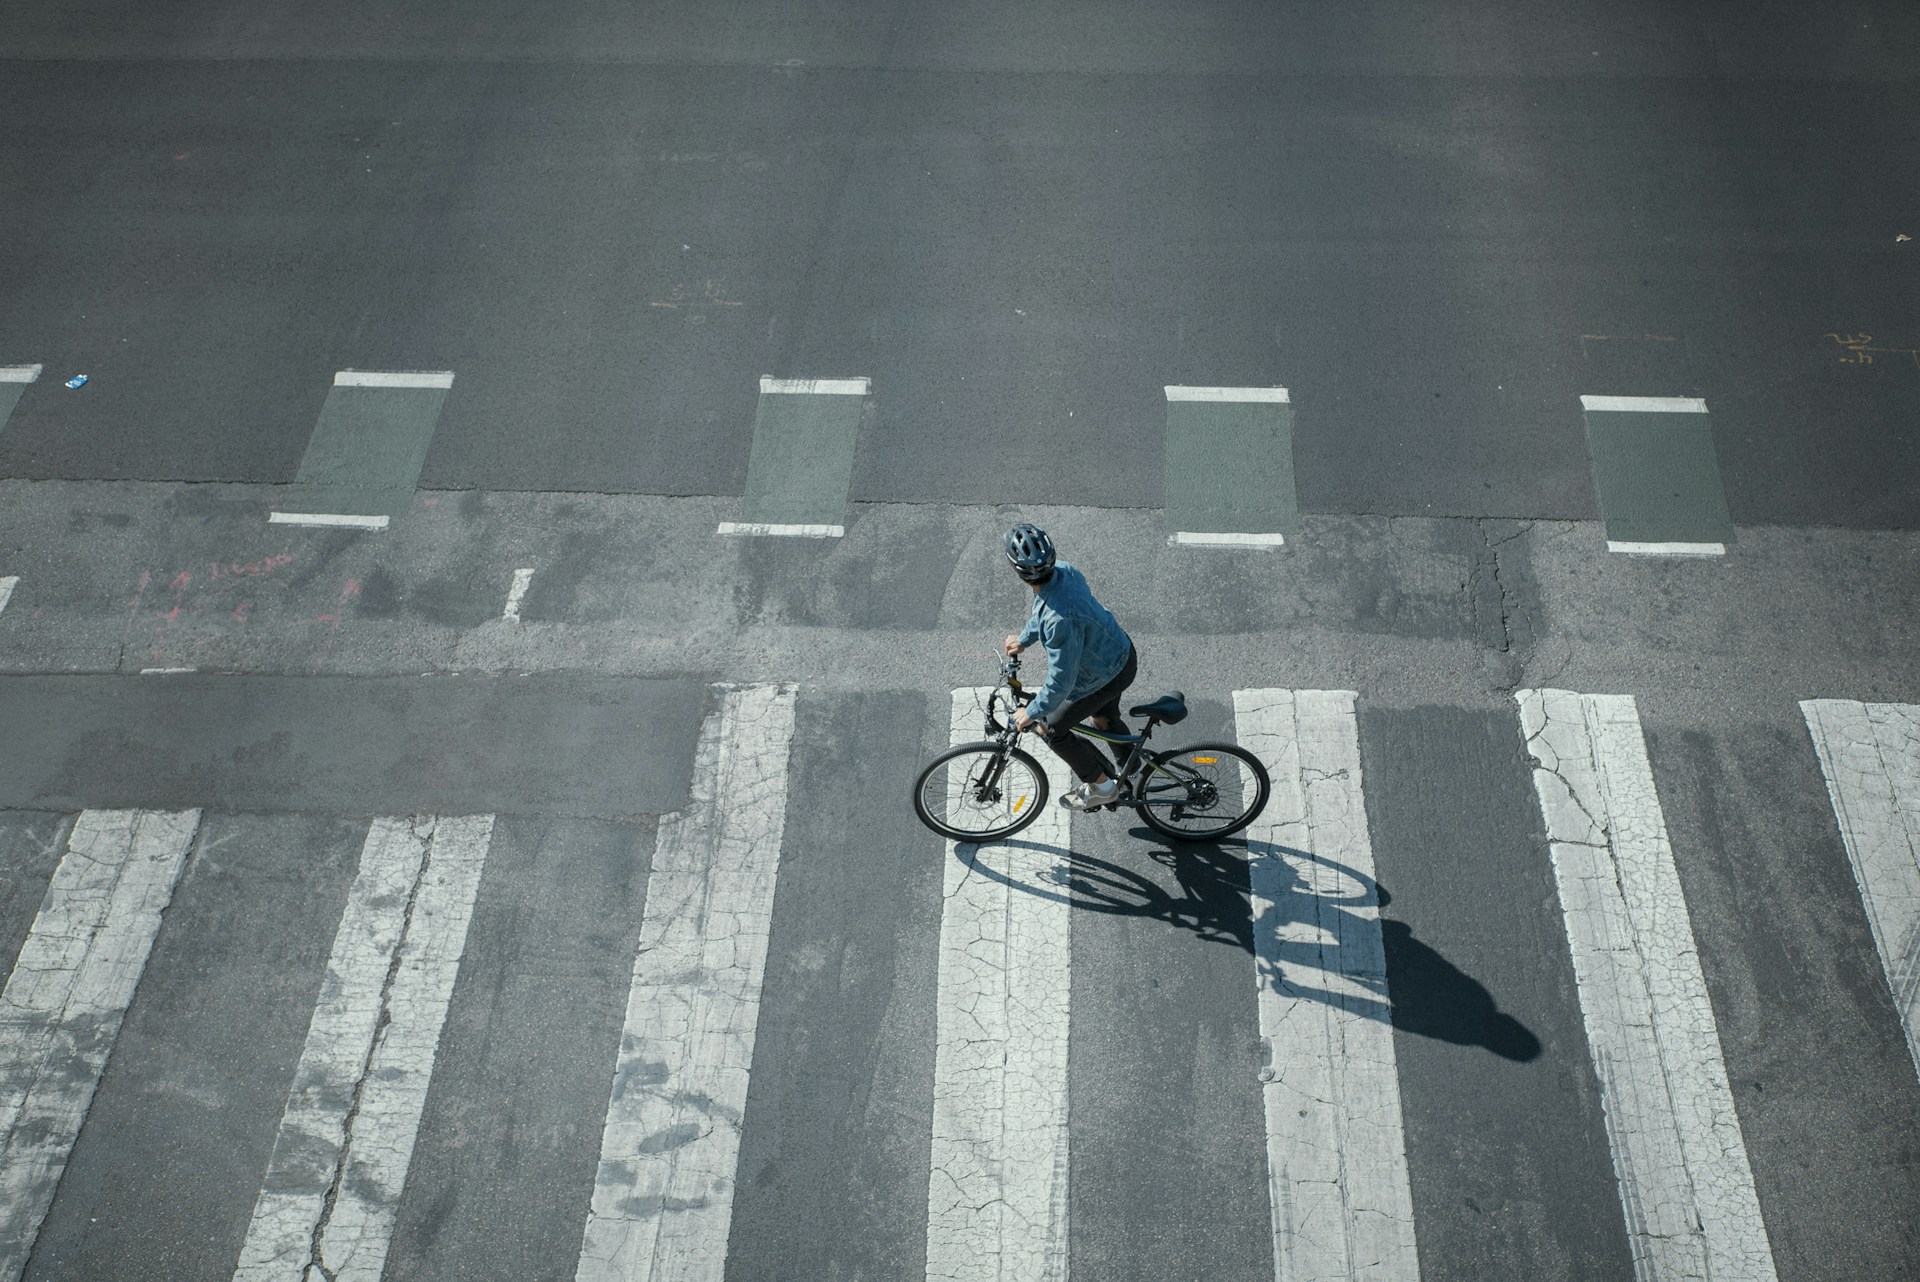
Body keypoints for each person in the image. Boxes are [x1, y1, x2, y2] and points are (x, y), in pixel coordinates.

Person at [1000, 523, 1138, 811]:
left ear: (1018, 572)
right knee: (1103, 719)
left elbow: (1062, 680)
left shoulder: (1059, 621)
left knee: (1051, 729)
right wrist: (1025, 640)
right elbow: (1047, 609)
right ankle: (1132, 767)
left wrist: (1033, 711)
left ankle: (1102, 788)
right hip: (1119, 654)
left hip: (1103, 674)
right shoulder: (1064, 571)